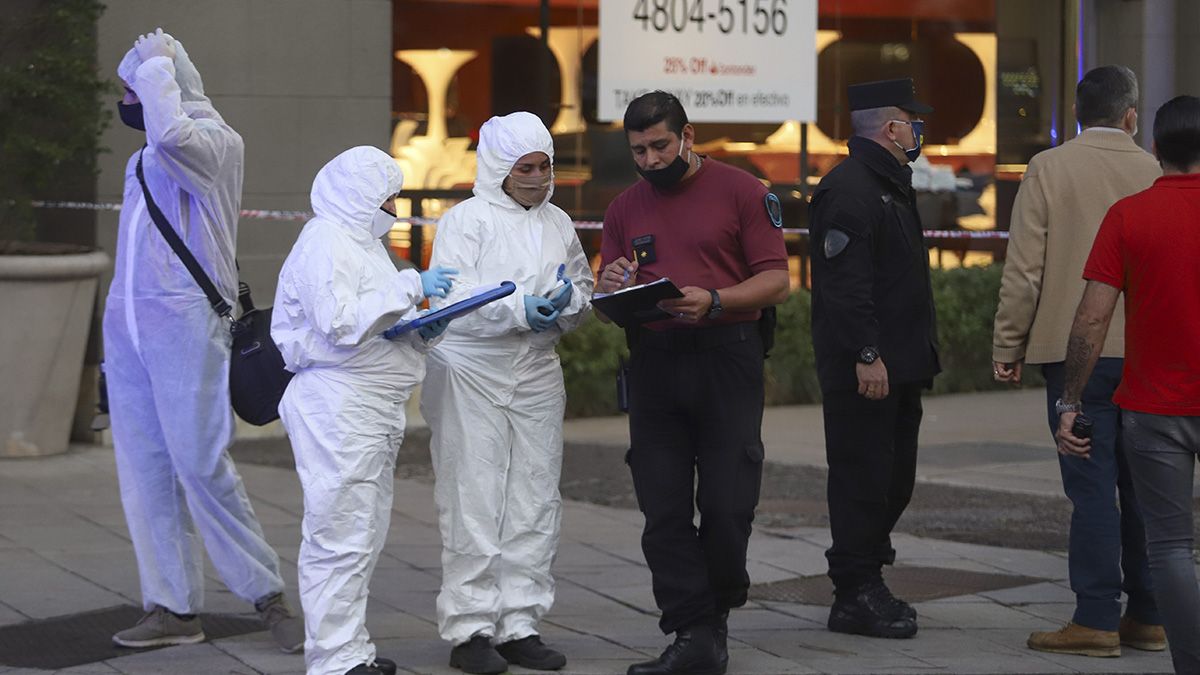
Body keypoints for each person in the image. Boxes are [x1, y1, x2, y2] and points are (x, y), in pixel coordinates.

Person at [102, 28, 302, 652]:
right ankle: (171, 606)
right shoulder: (143, 160)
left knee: (198, 461)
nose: (130, 100)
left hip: (187, 321)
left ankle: (267, 596)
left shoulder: (215, 143)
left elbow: (172, 134)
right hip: (131, 324)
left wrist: (157, 67)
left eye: (135, 88)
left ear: (170, 85)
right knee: (144, 468)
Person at [597, 91, 789, 675]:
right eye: (639, 151)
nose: (651, 160)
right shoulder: (623, 208)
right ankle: (694, 631)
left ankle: (717, 606)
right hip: (656, 359)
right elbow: (606, 299)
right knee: (663, 508)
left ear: (688, 135)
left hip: (726, 353)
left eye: (660, 145)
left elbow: (777, 280)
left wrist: (716, 301)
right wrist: (609, 286)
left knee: (729, 504)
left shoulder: (743, 191)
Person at [992, 65, 1164, 657]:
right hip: (1145, 352)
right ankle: (1147, 615)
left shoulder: (1049, 167)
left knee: (1089, 484)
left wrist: (1007, 345)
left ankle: (1094, 617)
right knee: (1142, 486)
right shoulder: (1155, 170)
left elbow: (1025, 267)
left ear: (1077, 114)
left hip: (1075, 354)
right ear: (1131, 115)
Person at [420, 111, 594, 675]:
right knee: (473, 496)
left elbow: (582, 285)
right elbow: (454, 298)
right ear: (499, 167)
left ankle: (520, 621)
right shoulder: (464, 221)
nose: (540, 178)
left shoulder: (557, 222)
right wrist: (518, 306)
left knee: (535, 496)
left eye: (546, 166)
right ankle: (470, 626)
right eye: (527, 167)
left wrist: (565, 306)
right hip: (471, 368)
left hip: (537, 367)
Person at [272, 146, 457, 675]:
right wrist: (410, 284)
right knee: (339, 533)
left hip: (367, 405)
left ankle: (350, 651)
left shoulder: (361, 243)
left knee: (363, 532)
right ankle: (333, 659)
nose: (393, 207)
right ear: (359, 194)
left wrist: (423, 328)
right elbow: (339, 323)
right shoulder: (325, 241)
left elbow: (376, 328)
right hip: (338, 407)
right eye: (387, 197)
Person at [1056, 94, 1200, 675]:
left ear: (1156, 149)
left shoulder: (1128, 215)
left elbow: (1092, 316)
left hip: (1154, 407)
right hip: (1158, 406)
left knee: (1170, 547)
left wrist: (1070, 400)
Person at [808, 78, 940, 639]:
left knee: (892, 480)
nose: (917, 132)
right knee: (864, 479)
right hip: (868, 369)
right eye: (913, 122)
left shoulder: (887, 182)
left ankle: (867, 580)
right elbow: (845, 285)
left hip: (900, 364)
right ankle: (855, 591)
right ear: (892, 128)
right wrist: (867, 354)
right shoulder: (852, 188)